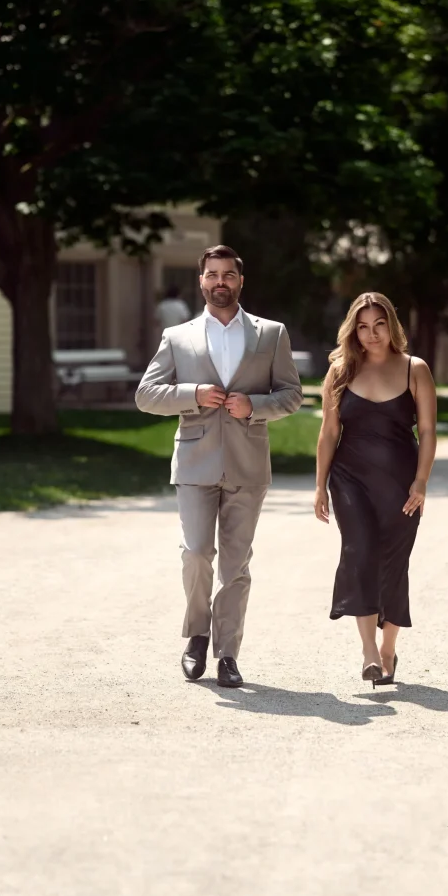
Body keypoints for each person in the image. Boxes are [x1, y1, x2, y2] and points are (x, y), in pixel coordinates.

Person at [136, 245, 302, 688]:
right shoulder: (178, 336)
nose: (220, 282)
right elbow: (146, 394)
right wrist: (191, 393)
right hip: (194, 462)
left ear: (240, 281)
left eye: (228, 275)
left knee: (236, 566)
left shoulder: (271, 334)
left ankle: (228, 653)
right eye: (212, 275)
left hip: (249, 466)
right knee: (195, 554)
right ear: (201, 281)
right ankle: (196, 634)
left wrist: (255, 406)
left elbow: (291, 395)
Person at [314, 292, 437, 687]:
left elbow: (429, 431)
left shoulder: (415, 369)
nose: (371, 334)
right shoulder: (340, 371)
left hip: (401, 483)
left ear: (391, 326)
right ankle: (368, 650)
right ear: (354, 330)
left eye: (379, 325)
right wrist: (320, 486)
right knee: (360, 550)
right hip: (349, 478)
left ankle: (388, 650)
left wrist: (421, 481)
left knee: (392, 564)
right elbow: (329, 432)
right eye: (363, 327)